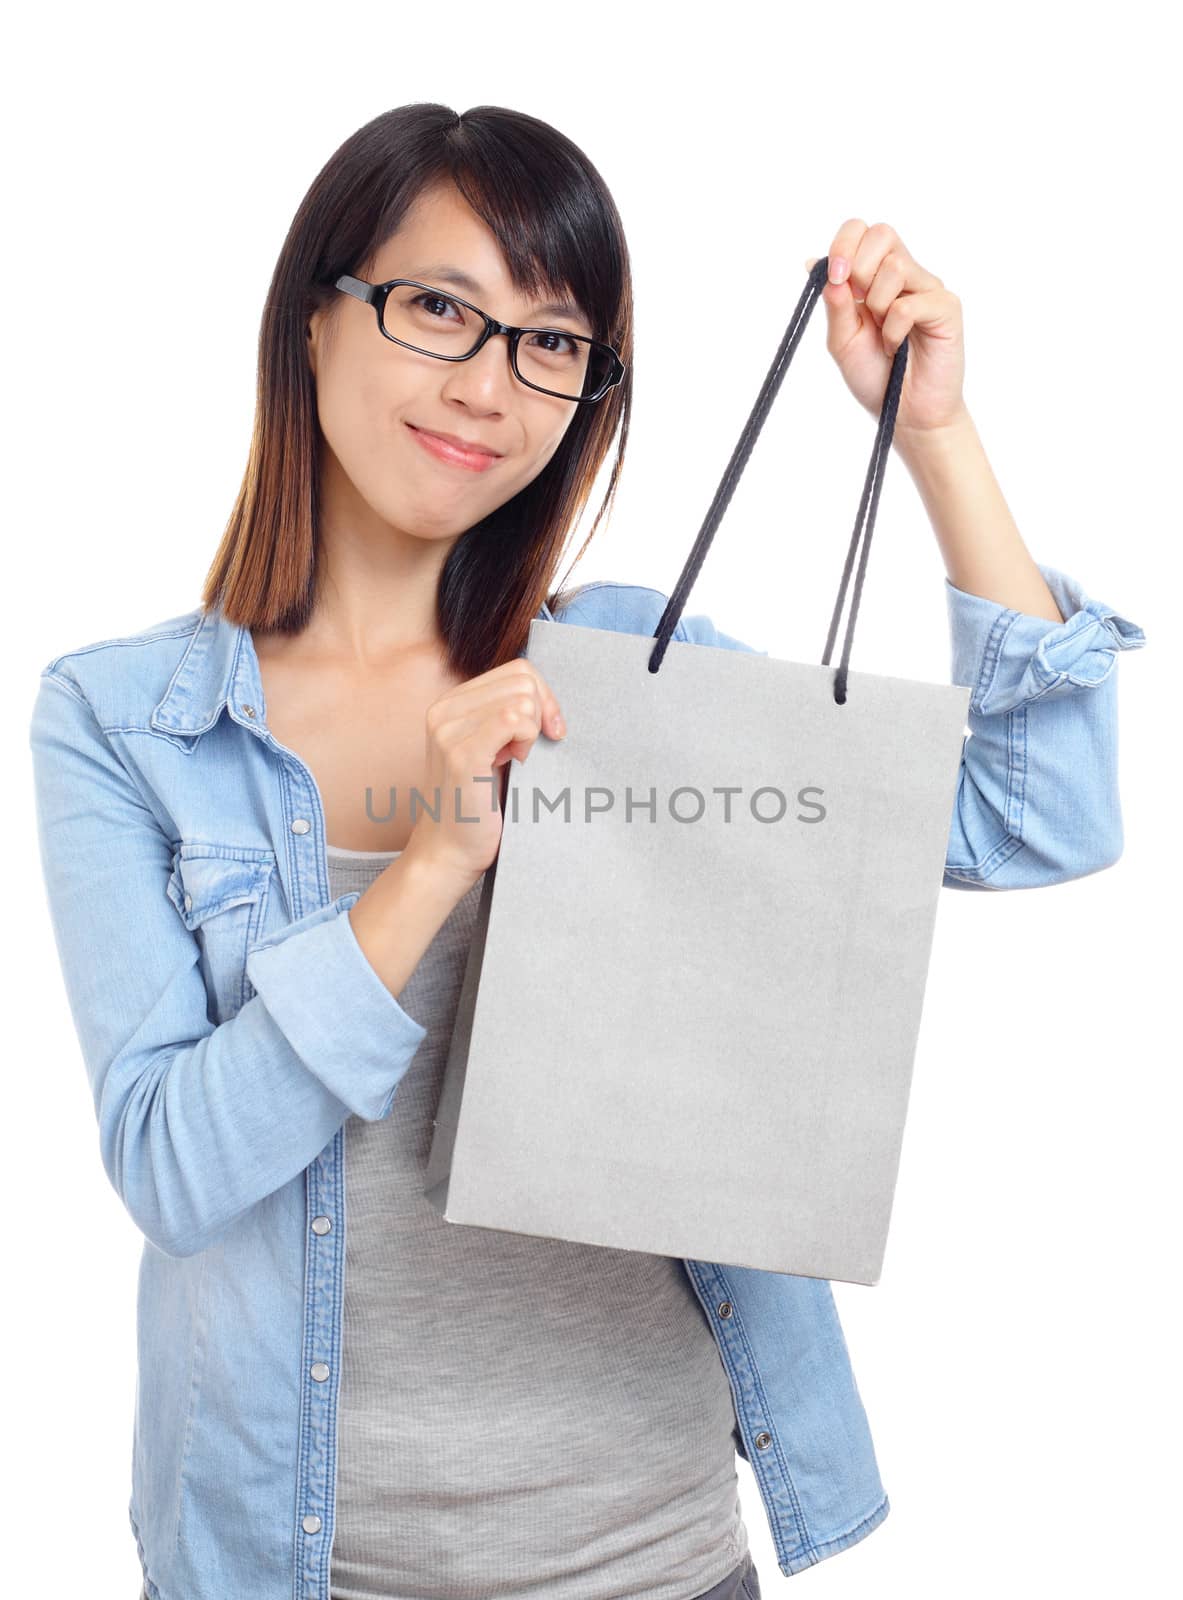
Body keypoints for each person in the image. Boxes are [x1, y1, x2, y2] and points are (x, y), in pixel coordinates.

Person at [29, 103, 1145, 1600]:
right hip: (295, 1570)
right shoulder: (123, 721)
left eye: (551, 343)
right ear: (313, 318)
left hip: (654, 1562)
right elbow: (174, 1167)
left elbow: (1040, 818)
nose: (490, 386)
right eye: (439, 308)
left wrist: (932, 436)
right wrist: (427, 865)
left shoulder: (626, 673)